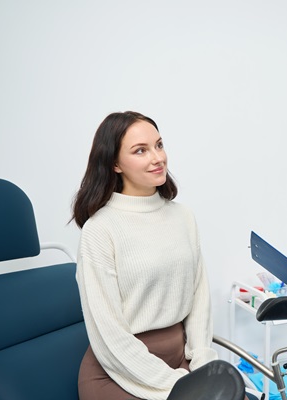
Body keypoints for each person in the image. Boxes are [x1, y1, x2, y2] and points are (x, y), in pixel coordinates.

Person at [71, 111, 218, 399]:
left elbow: (199, 297)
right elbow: (109, 336)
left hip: (179, 362)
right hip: (118, 370)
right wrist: (177, 384)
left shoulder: (183, 216)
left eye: (159, 145)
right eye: (141, 150)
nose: (158, 157)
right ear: (114, 163)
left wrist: (202, 362)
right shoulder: (100, 229)